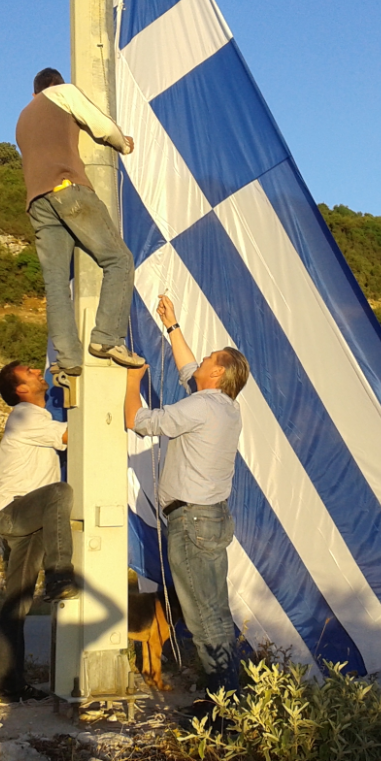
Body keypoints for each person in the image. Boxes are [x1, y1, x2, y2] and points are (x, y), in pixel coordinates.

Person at [124, 294, 248, 716]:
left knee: (205, 620)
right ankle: (228, 698)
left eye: (210, 358)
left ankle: (223, 710)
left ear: (220, 372)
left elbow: (139, 423)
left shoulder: (201, 406)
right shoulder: (224, 407)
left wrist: (132, 381)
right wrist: (172, 325)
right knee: (214, 612)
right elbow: (187, 369)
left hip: (191, 519)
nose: (201, 363)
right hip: (208, 518)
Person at [15, 67, 145, 380]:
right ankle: (107, 339)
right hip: (67, 189)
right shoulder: (64, 93)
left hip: (37, 203)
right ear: (55, 86)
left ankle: (68, 360)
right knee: (119, 260)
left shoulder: (22, 118)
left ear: (33, 93)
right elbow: (101, 126)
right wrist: (123, 144)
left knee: (56, 284)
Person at [0, 360, 80, 701]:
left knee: (18, 601)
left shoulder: (35, 417)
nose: (34, 371)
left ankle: (9, 684)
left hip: (30, 518)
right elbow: (72, 435)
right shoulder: (25, 415)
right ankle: (59, 575)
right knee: (61, 492)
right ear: (21, 390)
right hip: (16, 510)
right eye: (28, 371)